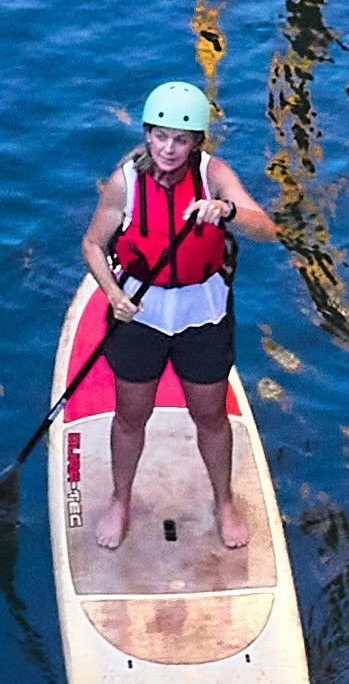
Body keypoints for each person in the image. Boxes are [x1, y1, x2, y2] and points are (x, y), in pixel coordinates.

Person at [83, 79, 269, 552]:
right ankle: (121, 498)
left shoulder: (214, 174)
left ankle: (223, 500)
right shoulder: (125, 182)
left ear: (196, 143)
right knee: (131, 414)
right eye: (160, 136)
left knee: (210, 414)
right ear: (147, 134)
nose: (168, 148)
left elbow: (266, 229)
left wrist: (226, 210)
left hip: (201, 315)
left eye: (181, 139)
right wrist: (111, 293)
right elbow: (92, 244)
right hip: (140, 316)